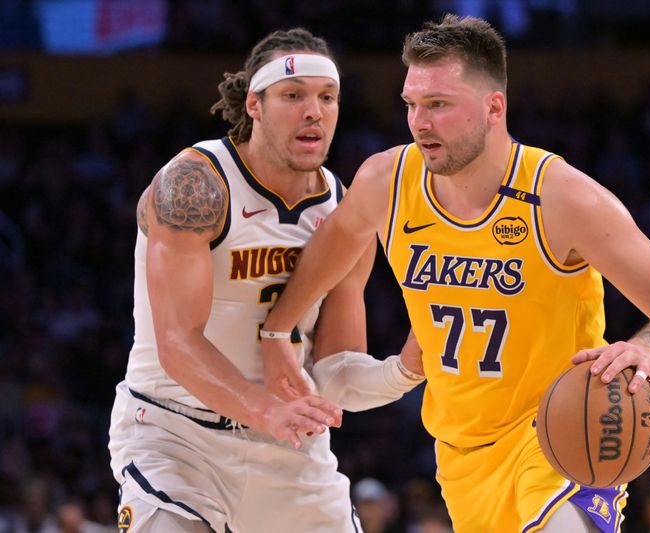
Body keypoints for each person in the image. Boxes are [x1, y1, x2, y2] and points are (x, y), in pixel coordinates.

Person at [260, 15, 650, 533]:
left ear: (494, 107)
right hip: (461, 455)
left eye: (439, 105)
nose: (419, 122)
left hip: (561, 435)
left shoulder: (560, 197)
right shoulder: (388, 181)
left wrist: (647, 349)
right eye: (411, 104)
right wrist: (277, 328)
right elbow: (329, 252)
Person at [108, 28, 423, 533]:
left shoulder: (346, 214)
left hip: (289, 451)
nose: (313, 111)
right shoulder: (195, 184)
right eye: (293, 96)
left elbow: (332, 375)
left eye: (327, 97)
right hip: (176, 435)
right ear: (254, 104)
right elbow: (176, 342)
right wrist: (263, 410)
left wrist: (403, 371)